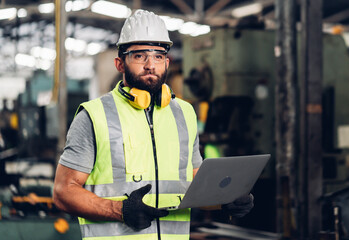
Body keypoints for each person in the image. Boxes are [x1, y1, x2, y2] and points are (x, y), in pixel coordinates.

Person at [53, 9, 254, 240]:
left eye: (158, 56)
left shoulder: (184, 114)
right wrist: (119, 210)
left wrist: (226, 200)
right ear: (120, 63)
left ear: (167, 62)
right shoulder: (94, 116)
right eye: (139, 56)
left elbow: (197, 189)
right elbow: (63, 192)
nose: (150, 65)